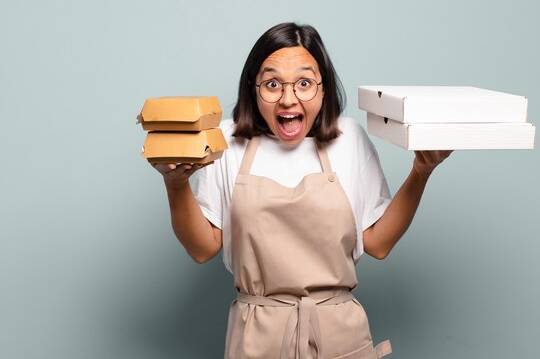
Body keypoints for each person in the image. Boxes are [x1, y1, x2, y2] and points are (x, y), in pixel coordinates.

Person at [152, 22, 451, 359]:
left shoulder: (348, 139)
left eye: (305, 83)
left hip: (340, 336)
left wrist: (421, 171)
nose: (288, 98)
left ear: (323, 90)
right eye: (273, 84)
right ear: (253, 88)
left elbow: (378, 244)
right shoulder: (227, 142)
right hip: (256, 338)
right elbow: (202, 248)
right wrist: (175, 183)